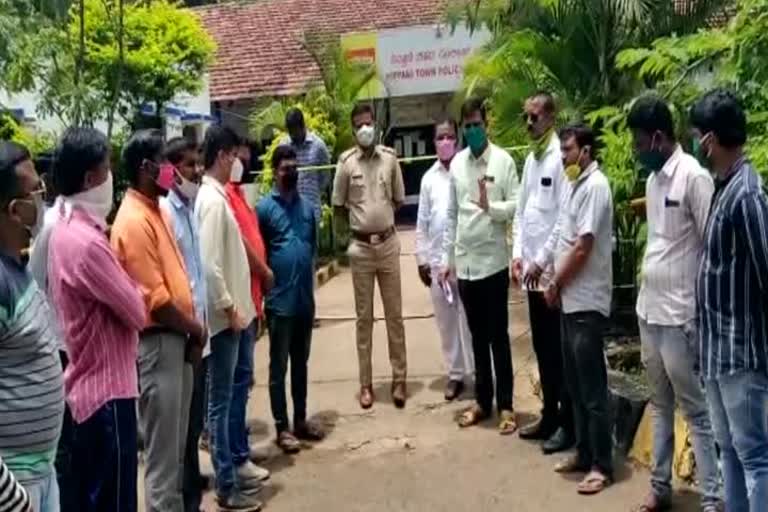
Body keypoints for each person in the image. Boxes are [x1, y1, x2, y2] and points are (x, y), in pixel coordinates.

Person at [627, 96, 721, 512]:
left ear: (659, 138)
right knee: (660, 404)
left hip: (681, 317)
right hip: (650, 312)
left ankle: (714, 499)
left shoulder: (693, 178)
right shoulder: (652, 182)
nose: (635, 148)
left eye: (638, 141)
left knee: (696, 412)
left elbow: (712, 247)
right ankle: (660, 488)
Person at [47, 127, 146, 512]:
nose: (111, 179)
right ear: (90, 178)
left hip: (88, 390)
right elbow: (136, 310)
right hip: (108, 393)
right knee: (117, 500)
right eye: (106, 170)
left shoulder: (66, 230)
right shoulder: (87, 244)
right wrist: (138, 291)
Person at [111, 130, 206, 512]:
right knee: (163, 466)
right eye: (166, 163)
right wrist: (195, 328)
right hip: (160, 342)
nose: (173, 172)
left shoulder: (156, 210)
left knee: (176, 454)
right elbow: (157, 300)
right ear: (147, 168)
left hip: (177, 341)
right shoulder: (134, 221)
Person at [692, 89, 768, 512]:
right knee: (729, 449)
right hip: (717, 350)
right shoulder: (725, 187)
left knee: (754, 454)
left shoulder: (747, 193)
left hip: (741, 351)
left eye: (697, 135)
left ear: (710, 140)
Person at [196, 126, 266, 512]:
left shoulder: (219, 197)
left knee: (226, 400)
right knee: (220, 407)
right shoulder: (211, 201)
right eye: (236, 155)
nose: (240, 162)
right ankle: (226, 484)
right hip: (226, 323)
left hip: (234, 318)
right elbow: (209, 265)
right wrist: (229, 307)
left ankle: (231, 476)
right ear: (223, 155)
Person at [441, 97, 519, 434]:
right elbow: (451, 215)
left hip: (494, 264)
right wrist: (448, 260)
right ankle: (482, 401)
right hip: (467, 266)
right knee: (476, 338)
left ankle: (506, 406)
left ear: (486, 124)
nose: (473, 130)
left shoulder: (503, 162)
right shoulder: (457, 164)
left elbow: (517, 205)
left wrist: (492, 208)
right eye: (467, 126)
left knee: (498, 336)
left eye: (477, 124)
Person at [544, 123, 613, 495]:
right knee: (575, 384)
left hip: (586, 301)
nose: (563, 157)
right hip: (571, 301)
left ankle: (602, 464)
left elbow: (583, 248)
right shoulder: (576, 186)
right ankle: (585, 453)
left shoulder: (596, 188)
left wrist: (556, 281)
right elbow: (563, 235)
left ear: (585, 151)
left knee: (592, 389)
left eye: (568, 150)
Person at [0, 141, 64, 512]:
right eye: (35, 191)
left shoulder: (16, 268)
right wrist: (13, 498)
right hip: (15, 487)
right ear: (13, 210)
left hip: (39, 474)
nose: (43, 198)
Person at [332, 103, 408, 409]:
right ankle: (366, 384)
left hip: (388, 245)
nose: (365, 129)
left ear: (375, 125)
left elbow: (399, 199)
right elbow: (338, 205)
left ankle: (399, 379)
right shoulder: (346, 163)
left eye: (369, 123)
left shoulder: (390, 159)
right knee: (364, 320)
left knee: (395, 316)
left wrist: (381, 219)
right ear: (353, 130)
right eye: (359, 125)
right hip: (361, 249)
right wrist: (346, 239)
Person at [513, 92, 574, 454]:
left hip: (552, 274)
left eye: (534, 116)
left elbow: (562, 218)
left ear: (551, 116)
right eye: (526, 117)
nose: (529, 123)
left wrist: (542, 261)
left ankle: (567, 423)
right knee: (541, 347)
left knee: (557, 351)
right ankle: (549, 413)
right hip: (531, 274)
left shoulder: (559, 158)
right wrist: (519, 255)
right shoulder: (531, 160)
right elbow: (522, 213)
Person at [257, 145, 324, 454]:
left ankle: (300, 420)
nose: (291, 172)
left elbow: (312, 251)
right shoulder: (264, 209)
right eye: (285, 168)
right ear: (275, 170)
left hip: (303, 301)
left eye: (294, 167)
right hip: (279, 303)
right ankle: (281, 427)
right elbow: (258, 255)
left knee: (302, 363)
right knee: (278, 367)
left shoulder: (308, 208)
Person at [158, 137, 209, 512]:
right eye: (190, 165)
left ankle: (192, 495)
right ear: (172, 169)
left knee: (192, 428)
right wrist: (191, 331)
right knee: (181, 433)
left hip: (198, 336)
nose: (197, 171)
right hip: (182, 337)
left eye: (198, 163)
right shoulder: (165, 213)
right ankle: (187, 501)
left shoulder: (189, 210)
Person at [415, 116, 474, 401]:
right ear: (434, 142)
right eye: (440, 137)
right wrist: (422, 260)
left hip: (467, 260)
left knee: (471, 320)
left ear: (457, 138)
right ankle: (455, 374)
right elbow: (422, 223)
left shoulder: (467, 170)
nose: (446, 141)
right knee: (446, 322)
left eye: (450, 136)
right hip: (439, 265)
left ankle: (479, 375)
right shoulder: (428, 179)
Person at [280, 107, 332, 222]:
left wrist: (313, 190)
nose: (293, 135)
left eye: (295, 131)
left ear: (303, 125)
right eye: (291, 132)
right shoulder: (283, 146)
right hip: (289, 211)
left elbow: (325, 175)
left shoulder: (318, 146)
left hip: (312, 210)